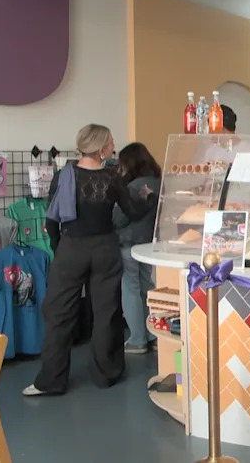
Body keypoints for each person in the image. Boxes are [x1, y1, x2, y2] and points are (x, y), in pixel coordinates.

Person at [24, 125, 156, 396]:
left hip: (72, 247)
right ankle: (106, 373)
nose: (114, 145)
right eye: (111, 142)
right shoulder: (112, 178)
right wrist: (148, 198)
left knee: (59, 313)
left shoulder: (64, 175)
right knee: (107, 312)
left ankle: (51, 380)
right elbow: (132, 212)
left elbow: (51, 219)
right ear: (102, 148)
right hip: (105, 248)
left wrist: (59, 248)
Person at [113, 143, 162, 354]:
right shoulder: (159, 183)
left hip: (129, 243)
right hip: (150, 243)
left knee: (130, 288)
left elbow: (119, 218)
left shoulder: (132, 187)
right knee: (147, 287)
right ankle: (154, 334)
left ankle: (137, 338)